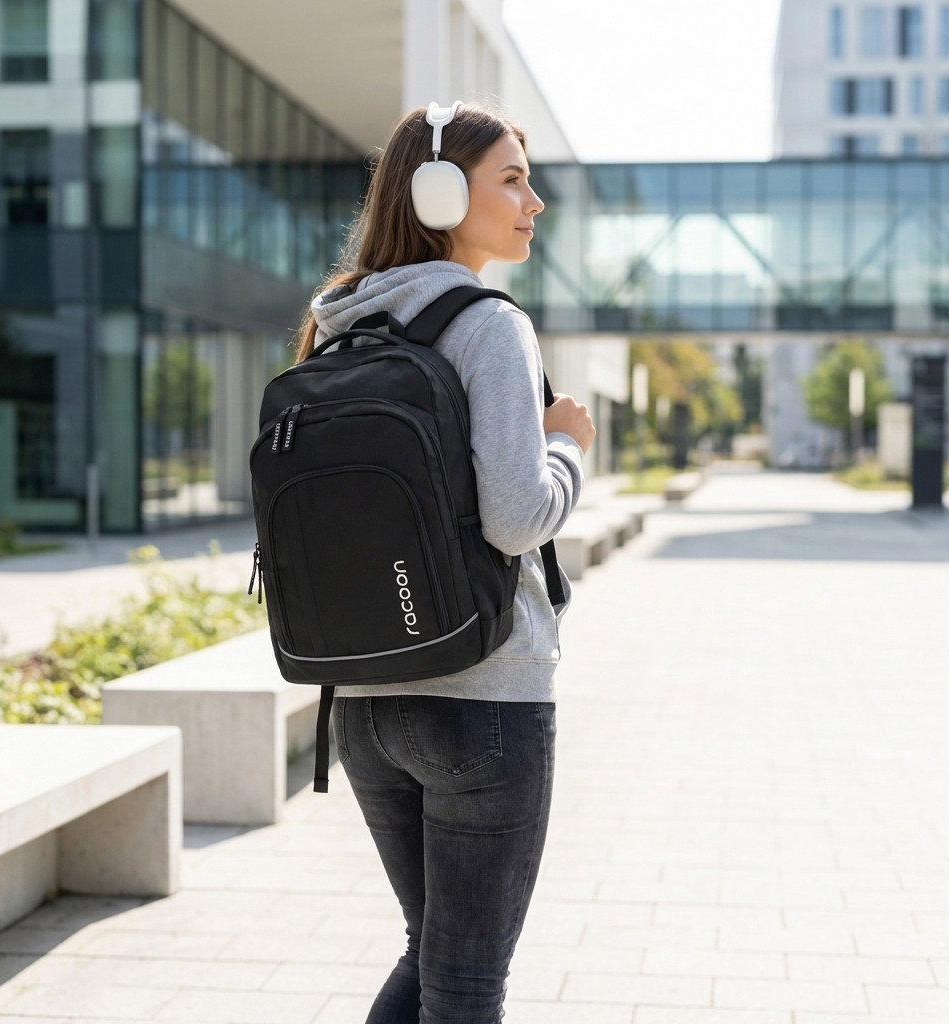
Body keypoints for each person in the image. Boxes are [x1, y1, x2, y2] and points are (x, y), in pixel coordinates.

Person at [295, 104, 595, 1024]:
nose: (534, 201)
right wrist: (571, 448)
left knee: (433, 963)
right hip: (483, 703)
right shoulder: (487, 325)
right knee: (464, 985)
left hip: (364, 706)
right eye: (511, 178)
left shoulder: (335, 322)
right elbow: (516, 520)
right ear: (438, 190)